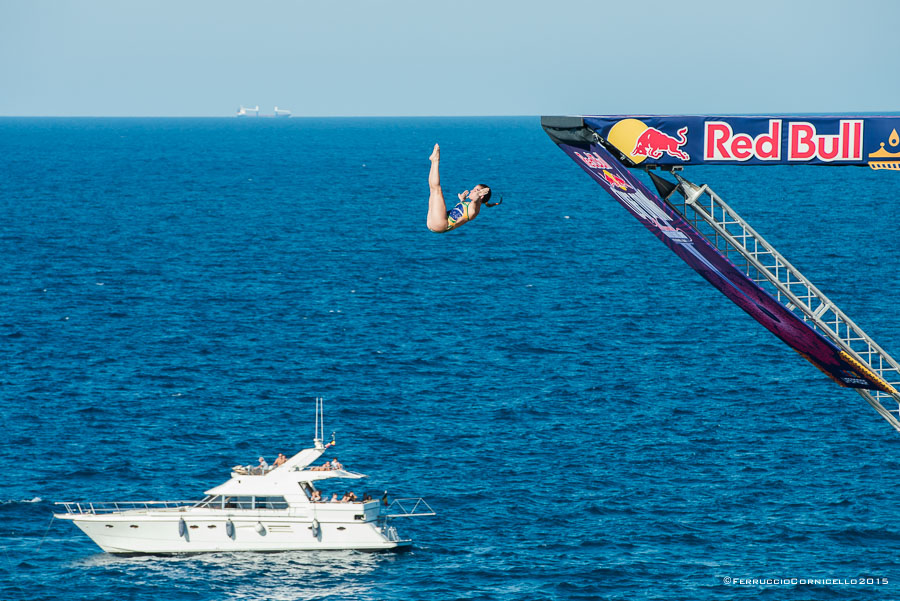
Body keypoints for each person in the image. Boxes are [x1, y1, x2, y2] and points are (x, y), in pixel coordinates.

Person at [426, 144, 499, 233]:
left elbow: (475, 205)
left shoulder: (474, 210)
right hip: (434, 223)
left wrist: (477, 196)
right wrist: (462, 201)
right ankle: (433, 161)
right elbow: (461, 214)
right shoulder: (469, 206)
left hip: (441, 225)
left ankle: (435, 160)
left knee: (437, 190)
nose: (471, 191)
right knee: (433, 190)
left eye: (475, 190)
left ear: (481, 196)